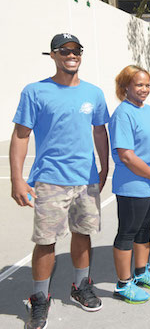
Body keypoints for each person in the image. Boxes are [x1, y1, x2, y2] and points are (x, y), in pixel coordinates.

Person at [10, 33, 108, 329]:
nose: (71, 54)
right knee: (46, 241)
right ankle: (39, 299)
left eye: (76, 50)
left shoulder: (94, 93)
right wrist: (17, 180)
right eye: (64, 50)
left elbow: (100, 131)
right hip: (51, 180)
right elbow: (21, 135)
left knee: (83, 234)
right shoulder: (35, 92)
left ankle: (80, 287)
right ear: (52, 55)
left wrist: (104, 169)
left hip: (86, 179)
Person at [109, 65, 150, 303]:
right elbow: (126, 155)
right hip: (133, 185)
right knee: (127, 232)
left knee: (144, 229)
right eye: (139, 85)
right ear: (126, 87)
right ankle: (123, 284)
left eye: (147, 85)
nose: (144, 89)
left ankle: (141, 272)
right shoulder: (123, 114)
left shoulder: (148, 111)